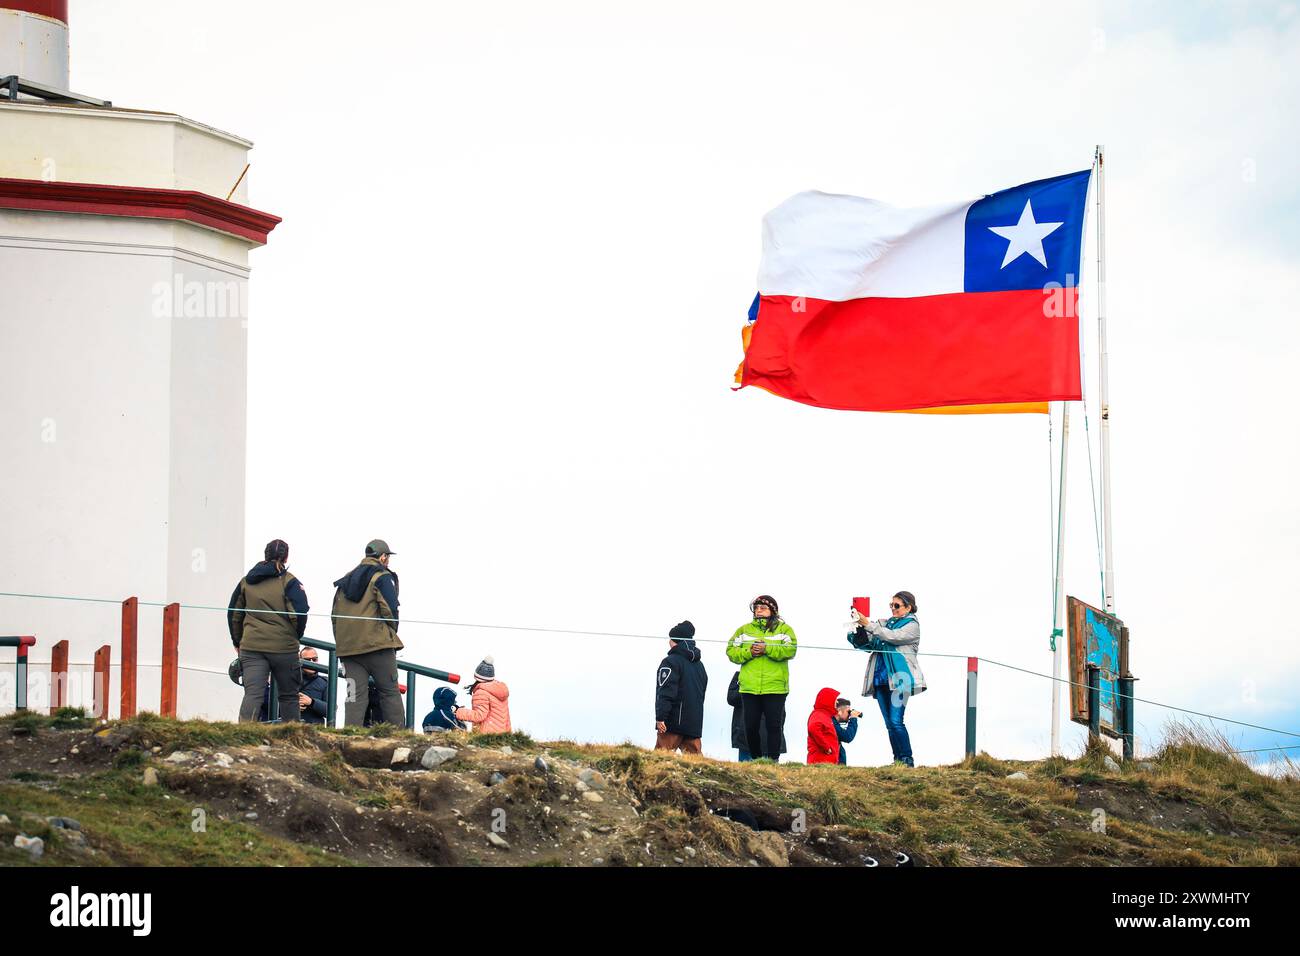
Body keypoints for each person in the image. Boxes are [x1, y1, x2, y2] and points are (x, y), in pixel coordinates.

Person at [228, 539, 309, 723]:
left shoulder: (246, 582)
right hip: (284, 648)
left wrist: (237, 641)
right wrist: (295, 636)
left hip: (252, 647)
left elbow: (234, 614)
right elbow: (300, 613)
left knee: (253, 694)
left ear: (265, 554)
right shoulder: (290, 581)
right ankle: (292, 735)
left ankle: (244, 735)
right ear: (286, 557)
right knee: (289, 695)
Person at [848, 590, 927, 767]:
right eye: (891, 605)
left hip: (901, 680)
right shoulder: (885, 624)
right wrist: (857, 631)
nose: (893, 608)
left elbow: (892, 637)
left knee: (896, 721)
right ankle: (898, 760)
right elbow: (869, 644)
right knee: (889, 724)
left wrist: (868, 624)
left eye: (896, 605)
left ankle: (907, 759)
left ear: (909, 607)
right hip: (881, 679)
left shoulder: (912, 626)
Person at [331, 539, 404, 727]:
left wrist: (343, 643)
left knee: (354, 697)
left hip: (349, 650)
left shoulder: (345, 580)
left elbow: (334, 616)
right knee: (389, 692)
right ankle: (399, 738)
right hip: (378, 646)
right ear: (383, 557)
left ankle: (350, 738)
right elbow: (391, 609)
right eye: (387, 557)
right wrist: (390, 633)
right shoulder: (382, 576)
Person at [726, 594, 797, 762]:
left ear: (773, 610)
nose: (759, 611)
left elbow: (790, 650)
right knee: (750, 727)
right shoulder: (743, 630)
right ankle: (757, 760)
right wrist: (749, 652)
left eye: (763, 608)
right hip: (749, 686)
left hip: (776, 686)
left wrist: (767, 649)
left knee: (774, 726)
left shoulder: (784, 630)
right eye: (756, 608)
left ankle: (773, 762)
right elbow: (731, 651)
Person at [653, 621, 708, 754]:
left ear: (674, 641)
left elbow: (666, 691)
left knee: (660, 760)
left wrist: (661, 717)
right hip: (693, 724)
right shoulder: (700, 666)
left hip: (672, 724)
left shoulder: (670, 661)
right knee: (697, 766)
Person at [258, 645, 329, 724]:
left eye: (314, 659)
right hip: (286, 727)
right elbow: (266, 703)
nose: (311, 662)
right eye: (307, 660)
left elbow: (330, 711)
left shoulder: (324, 682)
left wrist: (312, 702)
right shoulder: (286, 677)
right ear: (300, 660)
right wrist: (292, 706)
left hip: (313, 729)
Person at [726, 671, 786, 761]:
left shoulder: (772, 678)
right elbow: (732, 698)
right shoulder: (774, 681)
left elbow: (732, 698)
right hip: (750, 740)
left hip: (756, 740)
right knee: (756, 772)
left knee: (749, 773)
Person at [455, 657, 512, 734]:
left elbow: (479, 715)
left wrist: (458, 711)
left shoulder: (481, 693)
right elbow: (506, 718)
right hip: (502, 735)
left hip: (487, 735)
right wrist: (508, 735)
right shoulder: (500, 691)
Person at [806, 687, 841, 764]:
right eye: (835, 700)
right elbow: (813, 728)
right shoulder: (819, 714)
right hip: (820, 761)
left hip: (826, 762)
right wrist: (826, 747)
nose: (837, 702)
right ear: (828, 701)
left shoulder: (825, 715)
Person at [835, 697, 860, 765]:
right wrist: (853, 719)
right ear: (839, 711)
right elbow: (848, 736)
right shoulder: (831, 723)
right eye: (848, 711)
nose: (849, 714)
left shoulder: (833, 723)